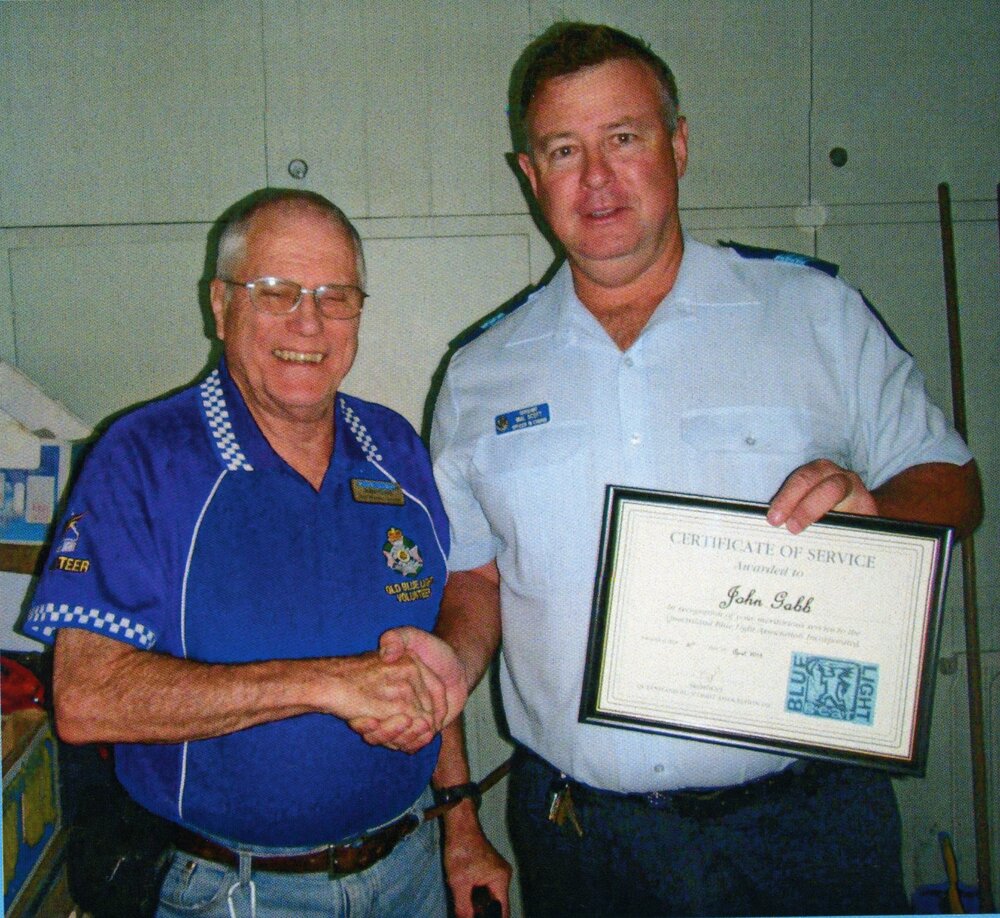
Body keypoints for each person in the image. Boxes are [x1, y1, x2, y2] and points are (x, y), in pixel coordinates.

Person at [421, 21, 984, 918]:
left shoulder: (815, 314)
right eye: (564, 149)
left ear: (678, 146)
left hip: (803, 823)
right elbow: (473, 578)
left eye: (625, 138)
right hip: (582, 837)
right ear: (530, 175)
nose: (596, 177)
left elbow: (953, 483)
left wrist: (876, 510)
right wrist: (449, 664)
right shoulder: (481, 372)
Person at [24, 189, 472, 918]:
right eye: (276, 292)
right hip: (234, 889)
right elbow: (85, 699)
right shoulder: (144, 457)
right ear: (221, 304)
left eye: (337, 296)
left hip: (410, 865)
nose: (309, 322)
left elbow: (424, 662)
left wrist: (460, 818)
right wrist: (326, 683)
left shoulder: (395, 447)